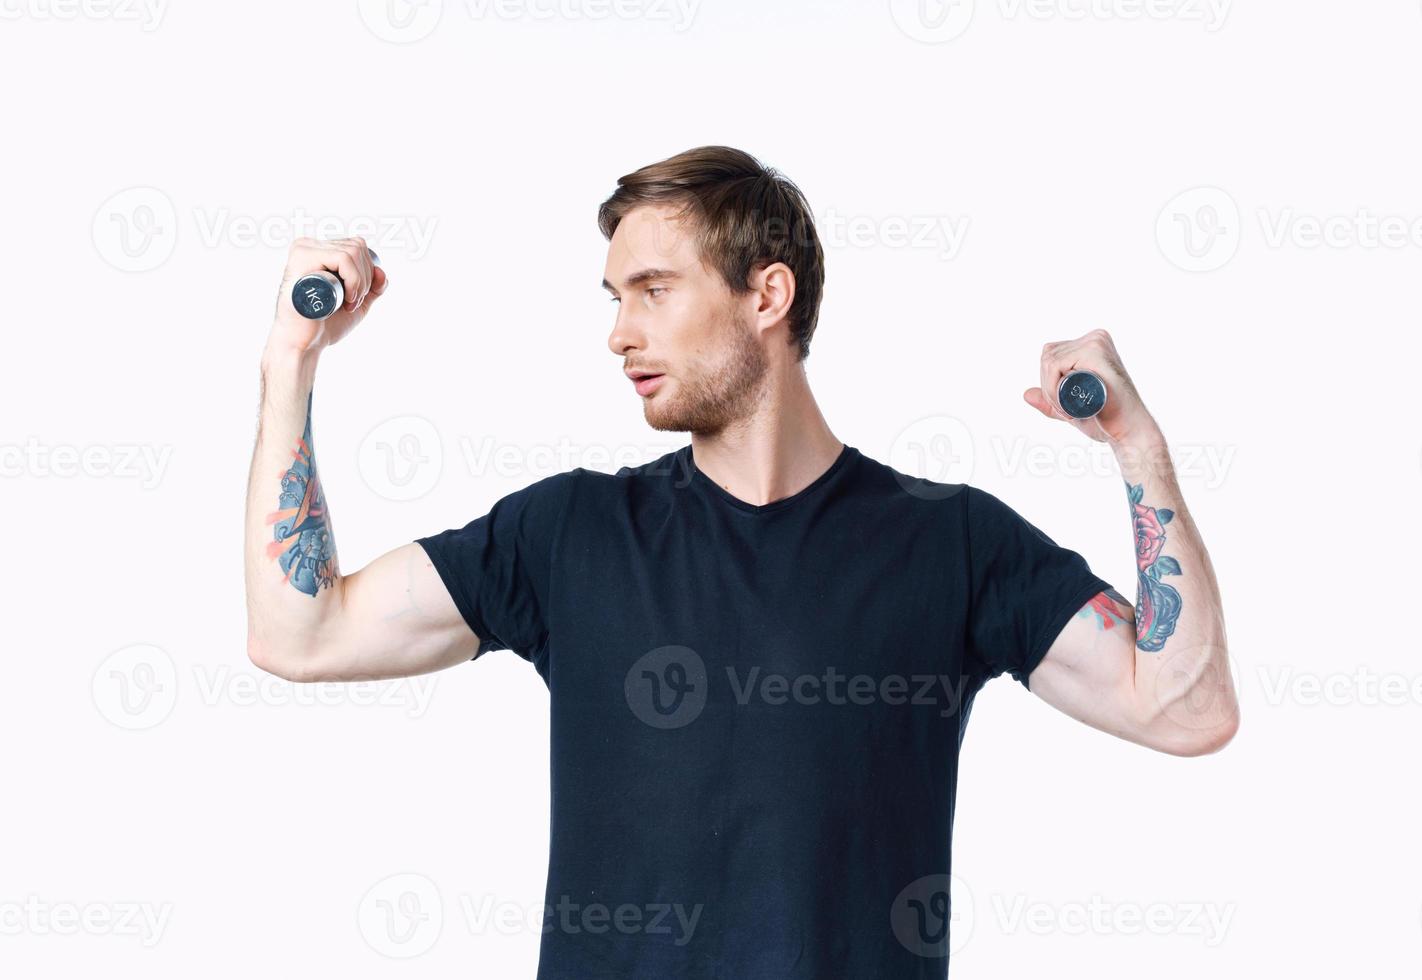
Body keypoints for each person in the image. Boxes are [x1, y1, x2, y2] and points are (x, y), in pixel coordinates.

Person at [243, 145, 1238, 978]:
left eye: (653, 290)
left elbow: (1187, 707)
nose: (618, 332)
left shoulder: (951, 543)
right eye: (614, 295)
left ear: (767, 294)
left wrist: (1135, 443)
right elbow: (300, 632)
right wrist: (292, 361)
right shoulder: (569, 535)